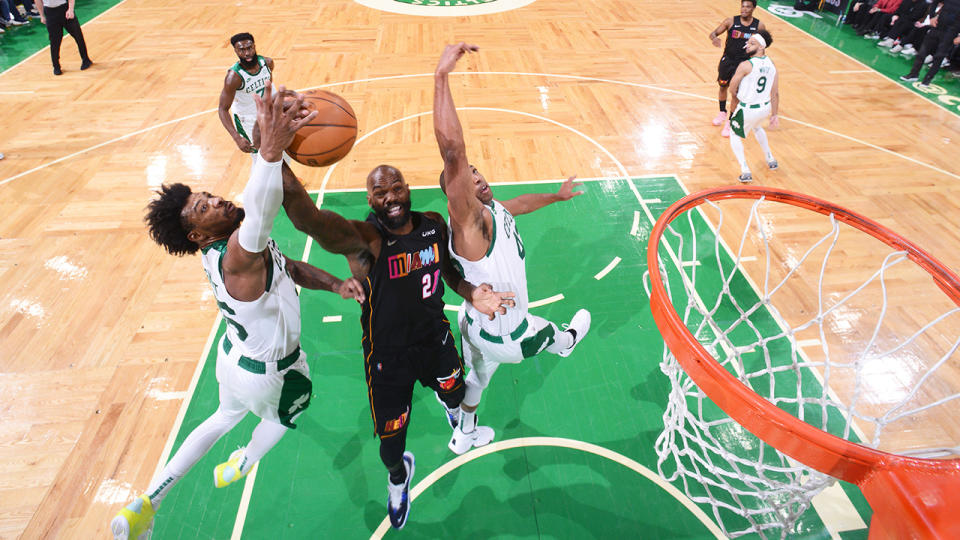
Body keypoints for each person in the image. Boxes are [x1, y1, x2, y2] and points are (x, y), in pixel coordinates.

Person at [110, 84, 365, 540]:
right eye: (204, 208)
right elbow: (263, 206)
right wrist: (267, 151)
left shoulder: (225, 254)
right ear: (195, 236)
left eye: (208, 194)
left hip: (232, 360)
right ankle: (246, 459)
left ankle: (148, 502)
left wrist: (333, 282)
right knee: (285, 416)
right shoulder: (237, 254)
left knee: (220, 418)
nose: (218, 201)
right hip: (275, 374)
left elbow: (286, 265)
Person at [279, 158, 515, 529]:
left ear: (408, 187)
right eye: (380, 192)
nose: (391, 197)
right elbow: (308, 220)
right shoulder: (364, 241)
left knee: (458, 393)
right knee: (391, 445)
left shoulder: (433, 224)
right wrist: (274, 157)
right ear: (369, 200)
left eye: (396, 187)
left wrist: (471, 293)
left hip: (435, 338)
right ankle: (398, 476)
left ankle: (451, 406)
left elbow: (449, 270)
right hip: (388, 359)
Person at [432, 42, 592, 455]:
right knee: (555, 336)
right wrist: (442, 77)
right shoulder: (468, 224)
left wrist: (555, 198)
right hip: (510, 334)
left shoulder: (493, 210)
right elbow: (452, 151)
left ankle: (464, 433)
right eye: (466, 180)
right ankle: (568, 340)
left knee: (477, 382)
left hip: (474, 325)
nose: (476, 179)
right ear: (457, 195)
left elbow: (516, 206)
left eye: (477, 172)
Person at [708, 0, 767, 138]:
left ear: (753, 8)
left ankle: (730, 121)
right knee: (722, 86)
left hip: (743, 64)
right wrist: (714, 38)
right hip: (727, 60)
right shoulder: (730, 21)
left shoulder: (759, 25)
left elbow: (764, 44)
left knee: (735, 93)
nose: (744, 9)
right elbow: (713, 33)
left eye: (748, 7)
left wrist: (759, 60)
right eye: (743, 6)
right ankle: (722, 112)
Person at [727, 30, 779, 183]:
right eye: (748, 42)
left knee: (734, 134)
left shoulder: (745, 65)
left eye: (752, 43)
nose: (747, 45)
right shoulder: (772, 64)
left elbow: (732, 88)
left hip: (748, 109)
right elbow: (775, 93)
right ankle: (770, 159)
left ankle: (745, 170)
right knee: (757, 127)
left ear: (762, 47)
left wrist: (734, 105)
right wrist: (774, 114)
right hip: (765, 108)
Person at [218, 32, 274, 155]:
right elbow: (222, 109)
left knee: (278, 149)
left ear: (254, 46)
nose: (247, 53)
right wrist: (237, 137)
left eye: (249, 48)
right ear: (235, 51)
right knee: (261, 157)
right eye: (241, 50)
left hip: (268, 113)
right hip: (248, 119)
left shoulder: (267, 63)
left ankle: (281, 175)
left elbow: (270, 87)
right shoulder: (234, 77)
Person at [901, 0, 960, 86]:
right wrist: (932, 16)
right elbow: (935, 2)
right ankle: (913, 74)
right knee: (922, 52)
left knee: (938, 57)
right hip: (937, 27)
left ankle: (927, 81)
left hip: (951, 32)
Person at [38, 0, 92, 76]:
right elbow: (38, 1)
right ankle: (56, 66)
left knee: (78, 35)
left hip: (64, 9)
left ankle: (86, 59)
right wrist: (42, 15)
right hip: (50, 12)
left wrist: (70, 10)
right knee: (54, 41)